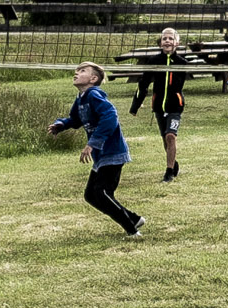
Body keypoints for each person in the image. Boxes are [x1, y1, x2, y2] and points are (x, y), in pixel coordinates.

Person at [49, 61, 143, 238]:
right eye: (76, 70)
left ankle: (132, 229)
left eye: (82, 71)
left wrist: (92, 143)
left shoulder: (94, 94)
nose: (76, 73)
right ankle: (134, 219)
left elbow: (110, 116)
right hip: (101, 155)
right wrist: (61, 125)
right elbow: (76, 119)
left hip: (113, 152)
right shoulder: (81, 98)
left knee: (101, 192)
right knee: (90, 196)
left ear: (93, 79)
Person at [132, 26, 200, 181]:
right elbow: (143, 84)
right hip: (158, 106)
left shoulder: (182, 63)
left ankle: (169, 172)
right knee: (165, 139)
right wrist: (135, 105)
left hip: (175, 106)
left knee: (171, 136)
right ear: (160, 43)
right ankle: (173, 163)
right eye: (164, 38)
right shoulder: (154, 61)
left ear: (177, 42)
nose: (167, 41)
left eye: (171, 38)